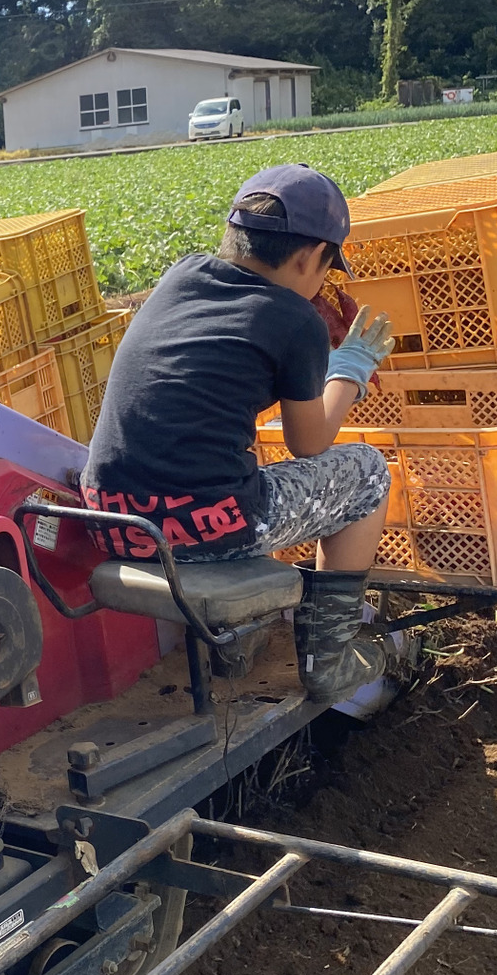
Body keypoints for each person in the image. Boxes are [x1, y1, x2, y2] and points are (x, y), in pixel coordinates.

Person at [79, 164, 396, 703]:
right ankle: (328, 657)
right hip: (206, 524)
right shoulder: (294, 319)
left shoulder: (181, 276)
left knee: (236, 464)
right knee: (366, 473)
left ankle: (241, 636)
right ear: (311, 256)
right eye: (327, 269)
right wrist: (349, 370)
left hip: (111, 519)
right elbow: (310, 444)